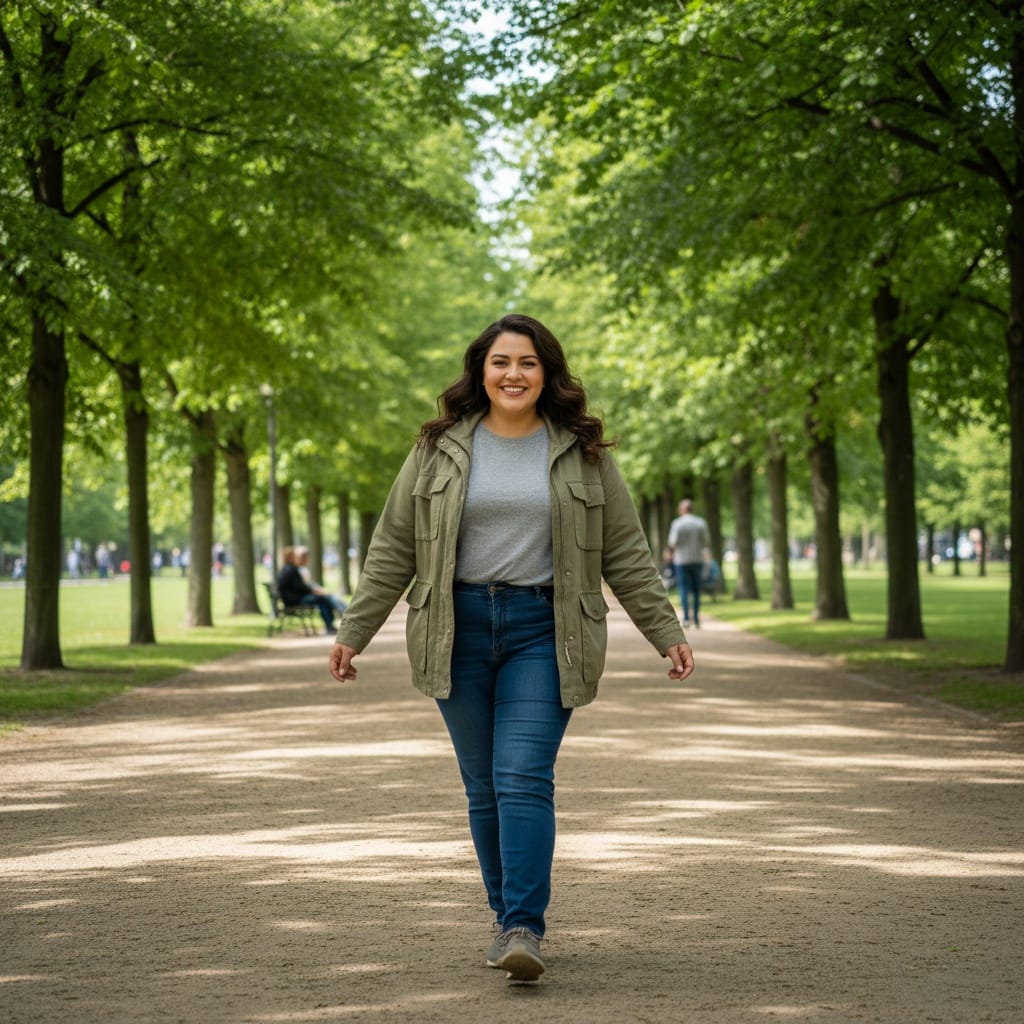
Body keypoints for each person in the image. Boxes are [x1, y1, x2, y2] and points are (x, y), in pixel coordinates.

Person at [328, 313, 694, 983]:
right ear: (481, 371)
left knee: (522, 774)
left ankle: (525, 923)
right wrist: (355, 631)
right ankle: (506, 922)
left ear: (547, 373)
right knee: (483, 787)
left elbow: (626, 552)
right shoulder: (437, 447)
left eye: (527, 362)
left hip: (544, 629)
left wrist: (664, 631)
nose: (514, 374)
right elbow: (394, 546)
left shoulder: (582, 452)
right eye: (501, 362)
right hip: (455, 627)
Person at [665, 498, 711, 628]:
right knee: (697, 590)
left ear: (682, 510)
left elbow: (672, 543)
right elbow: (705, 542)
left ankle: (686, 618)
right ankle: (696, 619)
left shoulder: (677, 523)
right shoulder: (701, 523)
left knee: (684, 589)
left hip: (681, 561)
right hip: (697, 559)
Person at [277, 546, 338, 634]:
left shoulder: (286, 569)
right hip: (295, 600)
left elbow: (298, 586)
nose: (296, 558)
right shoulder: (291, 570)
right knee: (322, 599)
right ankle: (329, 625)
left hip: (292, 599)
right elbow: (300, 587)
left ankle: (330, 624)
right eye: (295, 556)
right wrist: (313, 591)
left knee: (322, 598)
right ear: (290, 557)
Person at [295, 546, 347, 619]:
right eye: (304, 557)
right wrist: (319, 591)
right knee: (327, 598)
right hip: (305, 595)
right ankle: (344, 612)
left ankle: (344, 612)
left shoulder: (303, 569)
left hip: (311, 592)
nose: (306, 559)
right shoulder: (296, 570)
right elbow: (305, 587)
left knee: (330, 596)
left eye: (306, 557)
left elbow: (309, 584)